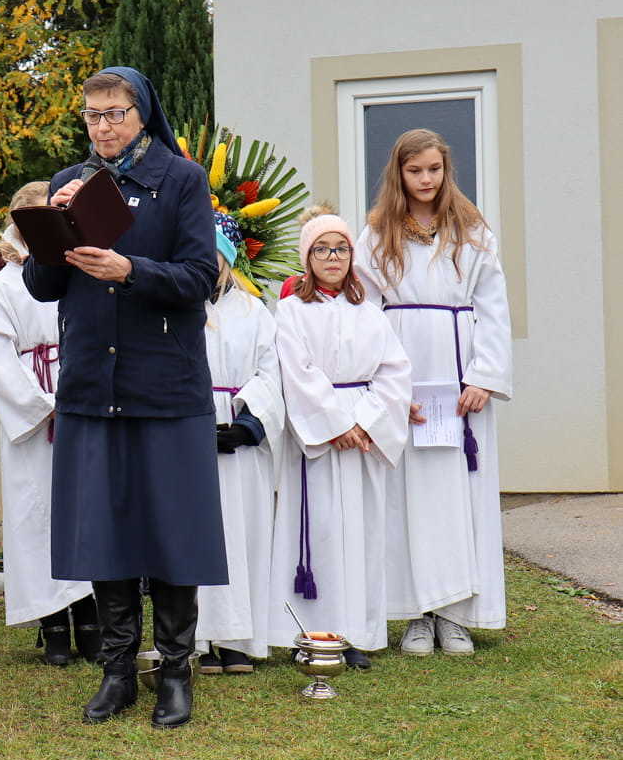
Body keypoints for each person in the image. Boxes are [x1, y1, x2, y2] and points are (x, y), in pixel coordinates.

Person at [22, 66, 226, 729]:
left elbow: (199, 277)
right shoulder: (69, 181)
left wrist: (129, 269)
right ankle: (117, 671)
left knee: (173, 531)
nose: (103, 126)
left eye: (115, 114)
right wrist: (51, 230)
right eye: (92, 115)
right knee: (103, 531)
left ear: (142, 115)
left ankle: (175, 671)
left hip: (165, 385)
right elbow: (43, 288)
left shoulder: (182, 180)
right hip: (92, 383)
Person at [356, 129, 512, 655]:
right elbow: (365, 314)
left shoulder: (471, 231)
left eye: (434, 169)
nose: (426, 179)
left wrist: (485, 376)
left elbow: (493, 306)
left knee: (459, 494)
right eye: (415, 170)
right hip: (405, 378)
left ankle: (457, 614)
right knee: (408, 496)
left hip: (460, 380)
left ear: (446, 171)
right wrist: (387, 390)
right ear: (398, 174)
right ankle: (417, 614)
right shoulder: (377, 234)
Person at [266, 207, 411, 669]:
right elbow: (297, 373)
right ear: (307, 258)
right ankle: (308, 632)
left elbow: (394, 372)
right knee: (320, 530)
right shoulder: (291, 311)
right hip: (320, 438)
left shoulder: (369, 312)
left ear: (352, 256)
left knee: (361, 532)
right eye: (322, 249)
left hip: (363, 436)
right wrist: (336, 424)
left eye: (341, 249)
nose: (333, 257)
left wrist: (365, 422)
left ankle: (355, 631)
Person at [0, 182, 97, 666]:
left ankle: (89, 617)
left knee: (84, 511)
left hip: (80, 400)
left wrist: (79, 393)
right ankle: (51, 623)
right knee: (35, 513)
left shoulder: (77, 268)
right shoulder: (5, 283)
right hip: (34, 415)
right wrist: (41, 404)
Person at [194, 213, 284, 673]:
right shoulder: (178, 308)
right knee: (198, 535)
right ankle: (199, 637)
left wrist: (249, 424)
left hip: (239, 440)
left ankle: (238, 639)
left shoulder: (254, 313)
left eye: (211, 253)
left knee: (243, 534)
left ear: (227, 258)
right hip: (190, 436)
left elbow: (271, 372)